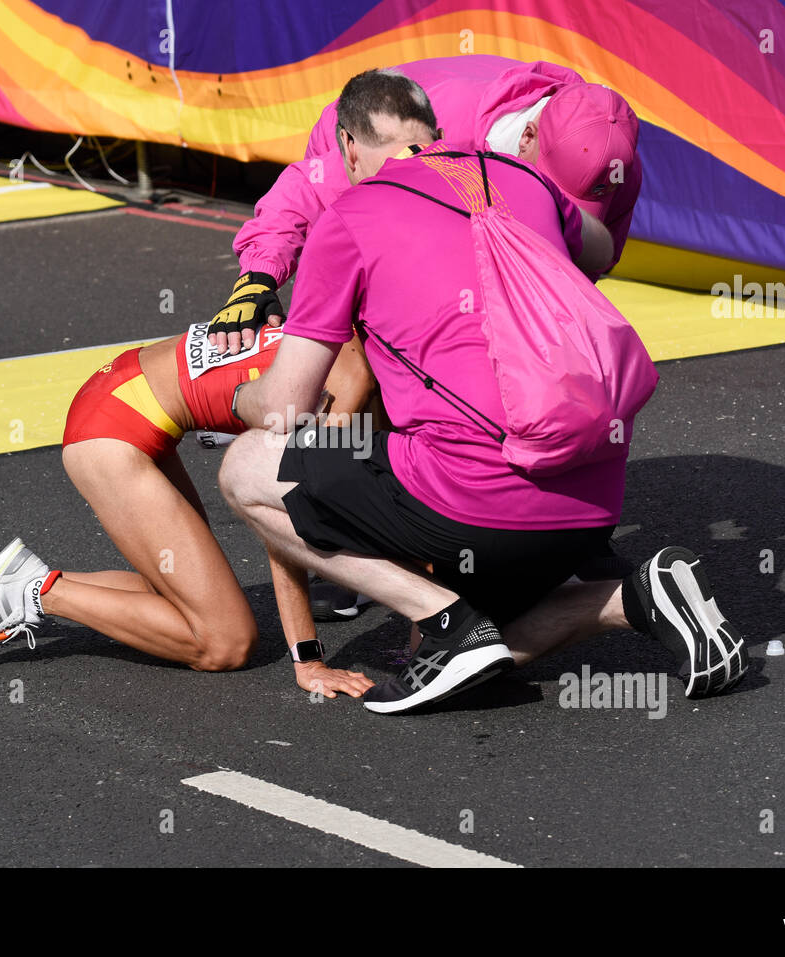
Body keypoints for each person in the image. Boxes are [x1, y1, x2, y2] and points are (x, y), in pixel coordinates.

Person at [219, 71, 747, 715]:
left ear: (348, 147)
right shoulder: (528, 180)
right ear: (436, 133)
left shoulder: (349, 218)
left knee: (246, 465)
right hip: (590, 503)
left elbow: (285, 409)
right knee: (483, 653)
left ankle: (443, 618)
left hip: (474, 503)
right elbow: (598, 251)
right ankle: (635, 596)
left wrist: (244, 391)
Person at [0, 321, 378, 699]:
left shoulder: (343, 331)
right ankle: (35, 593)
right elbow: (283, 524)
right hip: (113, 428)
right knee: (226, 642)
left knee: (180, 597)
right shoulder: (349, 385)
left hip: (125, 392)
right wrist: (309, 660)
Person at [208, 56, 641, 358]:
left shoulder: (615, 158)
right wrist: (257, 278)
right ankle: (294, 420)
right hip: (368, 136)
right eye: (551, 192)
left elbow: (580, 273)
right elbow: (307, 189)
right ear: (527, 138)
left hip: (478, 155)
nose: (562, 214)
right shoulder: (431, 133)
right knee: (371, 334)